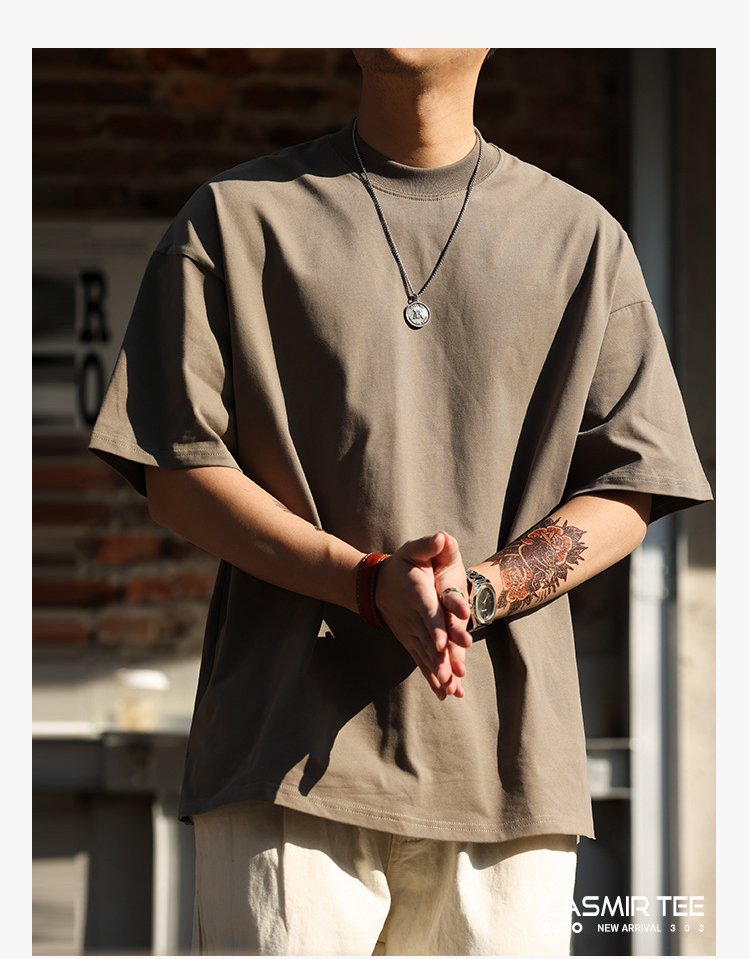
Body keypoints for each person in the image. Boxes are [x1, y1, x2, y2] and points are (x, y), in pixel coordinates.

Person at [89, 48, 711, 956]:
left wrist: (483, 591)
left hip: (507, 771)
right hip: (281, 759)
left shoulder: (581, 237)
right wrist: (366, 580)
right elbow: (176, 472)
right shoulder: (234, 218)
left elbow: (633, 481)